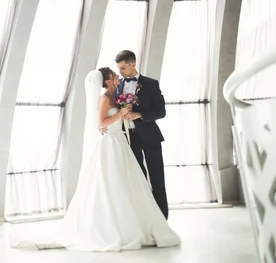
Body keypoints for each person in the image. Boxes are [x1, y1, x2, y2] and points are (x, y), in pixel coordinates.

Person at [10, 68, 180, 252]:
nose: (118, 76)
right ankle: (112, 228)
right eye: (115, 75)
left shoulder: (116, 96)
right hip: (110, 145)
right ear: (108, 82)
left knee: (127, 183)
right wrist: (121, 114)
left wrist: (127, 113)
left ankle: (132, 223)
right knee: (110, 183)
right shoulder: (105, 99)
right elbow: (102, 123)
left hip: (121, 141)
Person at [114, 50, 169, 219]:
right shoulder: (117, 86)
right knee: (138, 178)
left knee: (156, 175)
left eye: (123, 68)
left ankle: (162, 218)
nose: (120, 72)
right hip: (128, 139)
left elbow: (161, 112)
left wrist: (140, 115)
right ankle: (145, 217)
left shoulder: (151, 84)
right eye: (118, 69)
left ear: (133, 63)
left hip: (150, 136)